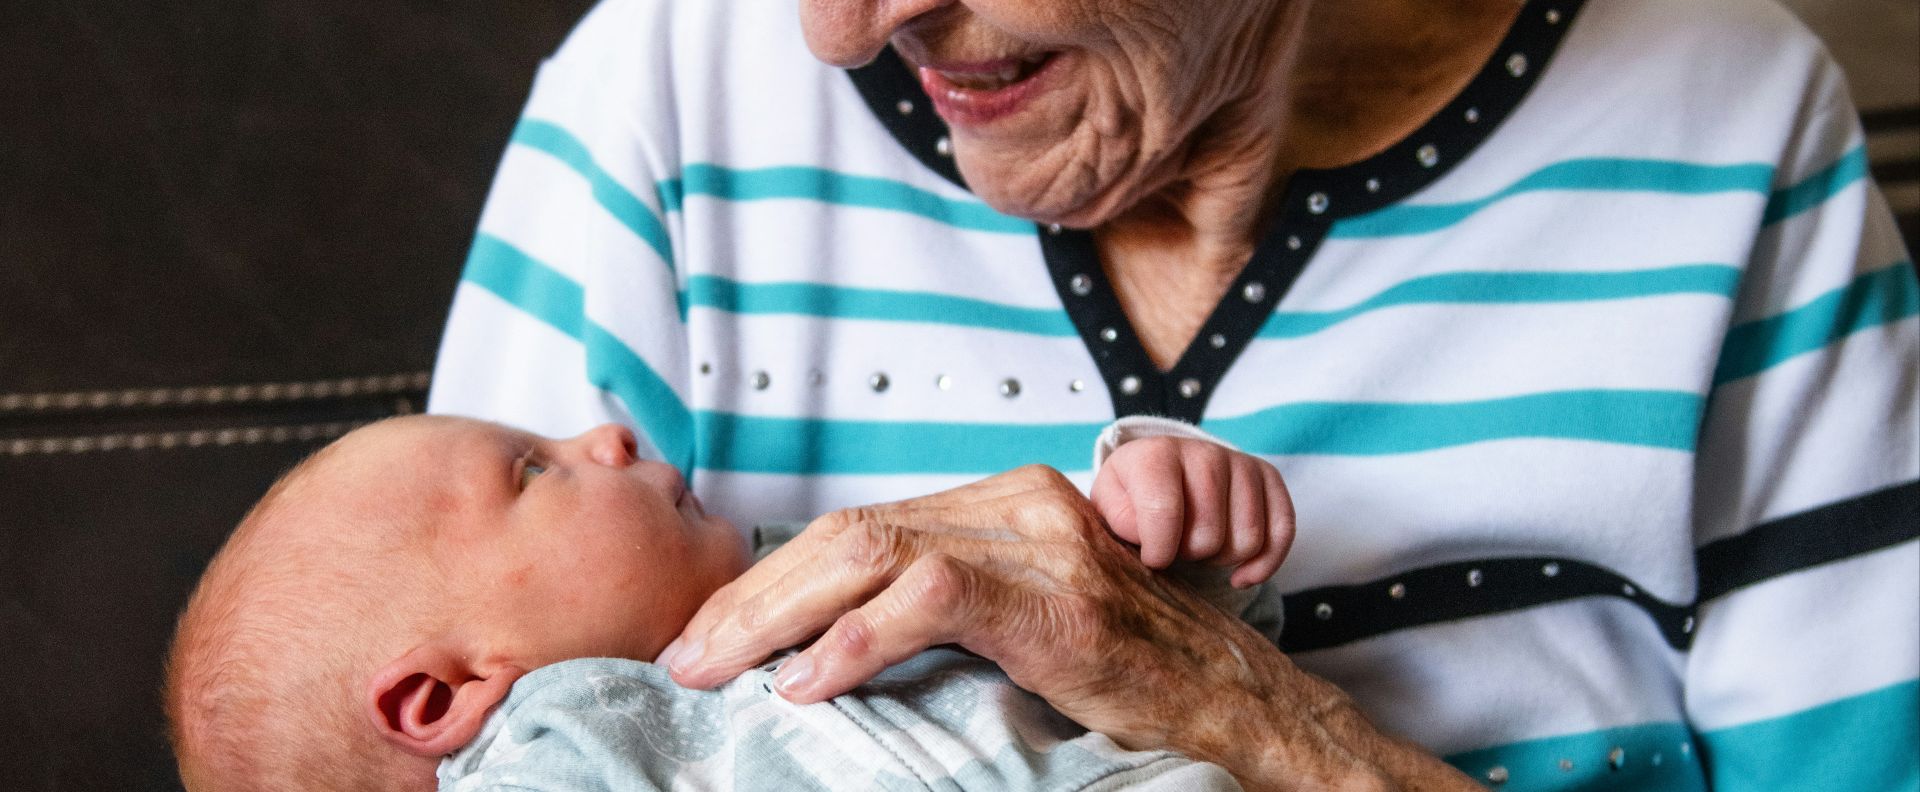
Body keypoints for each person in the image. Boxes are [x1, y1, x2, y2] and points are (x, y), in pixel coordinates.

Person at [427, 0, 1920, 787]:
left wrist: (1254, 721)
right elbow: (396, 717)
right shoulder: (683, 76)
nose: (826, 15)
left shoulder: (1717, 129)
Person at [163, 414, 1290, 791]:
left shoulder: (843, 568)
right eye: (532, 471)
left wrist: (1162, 517)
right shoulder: (560, 757)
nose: (602, 433)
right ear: (446, 693)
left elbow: (1148, 648)